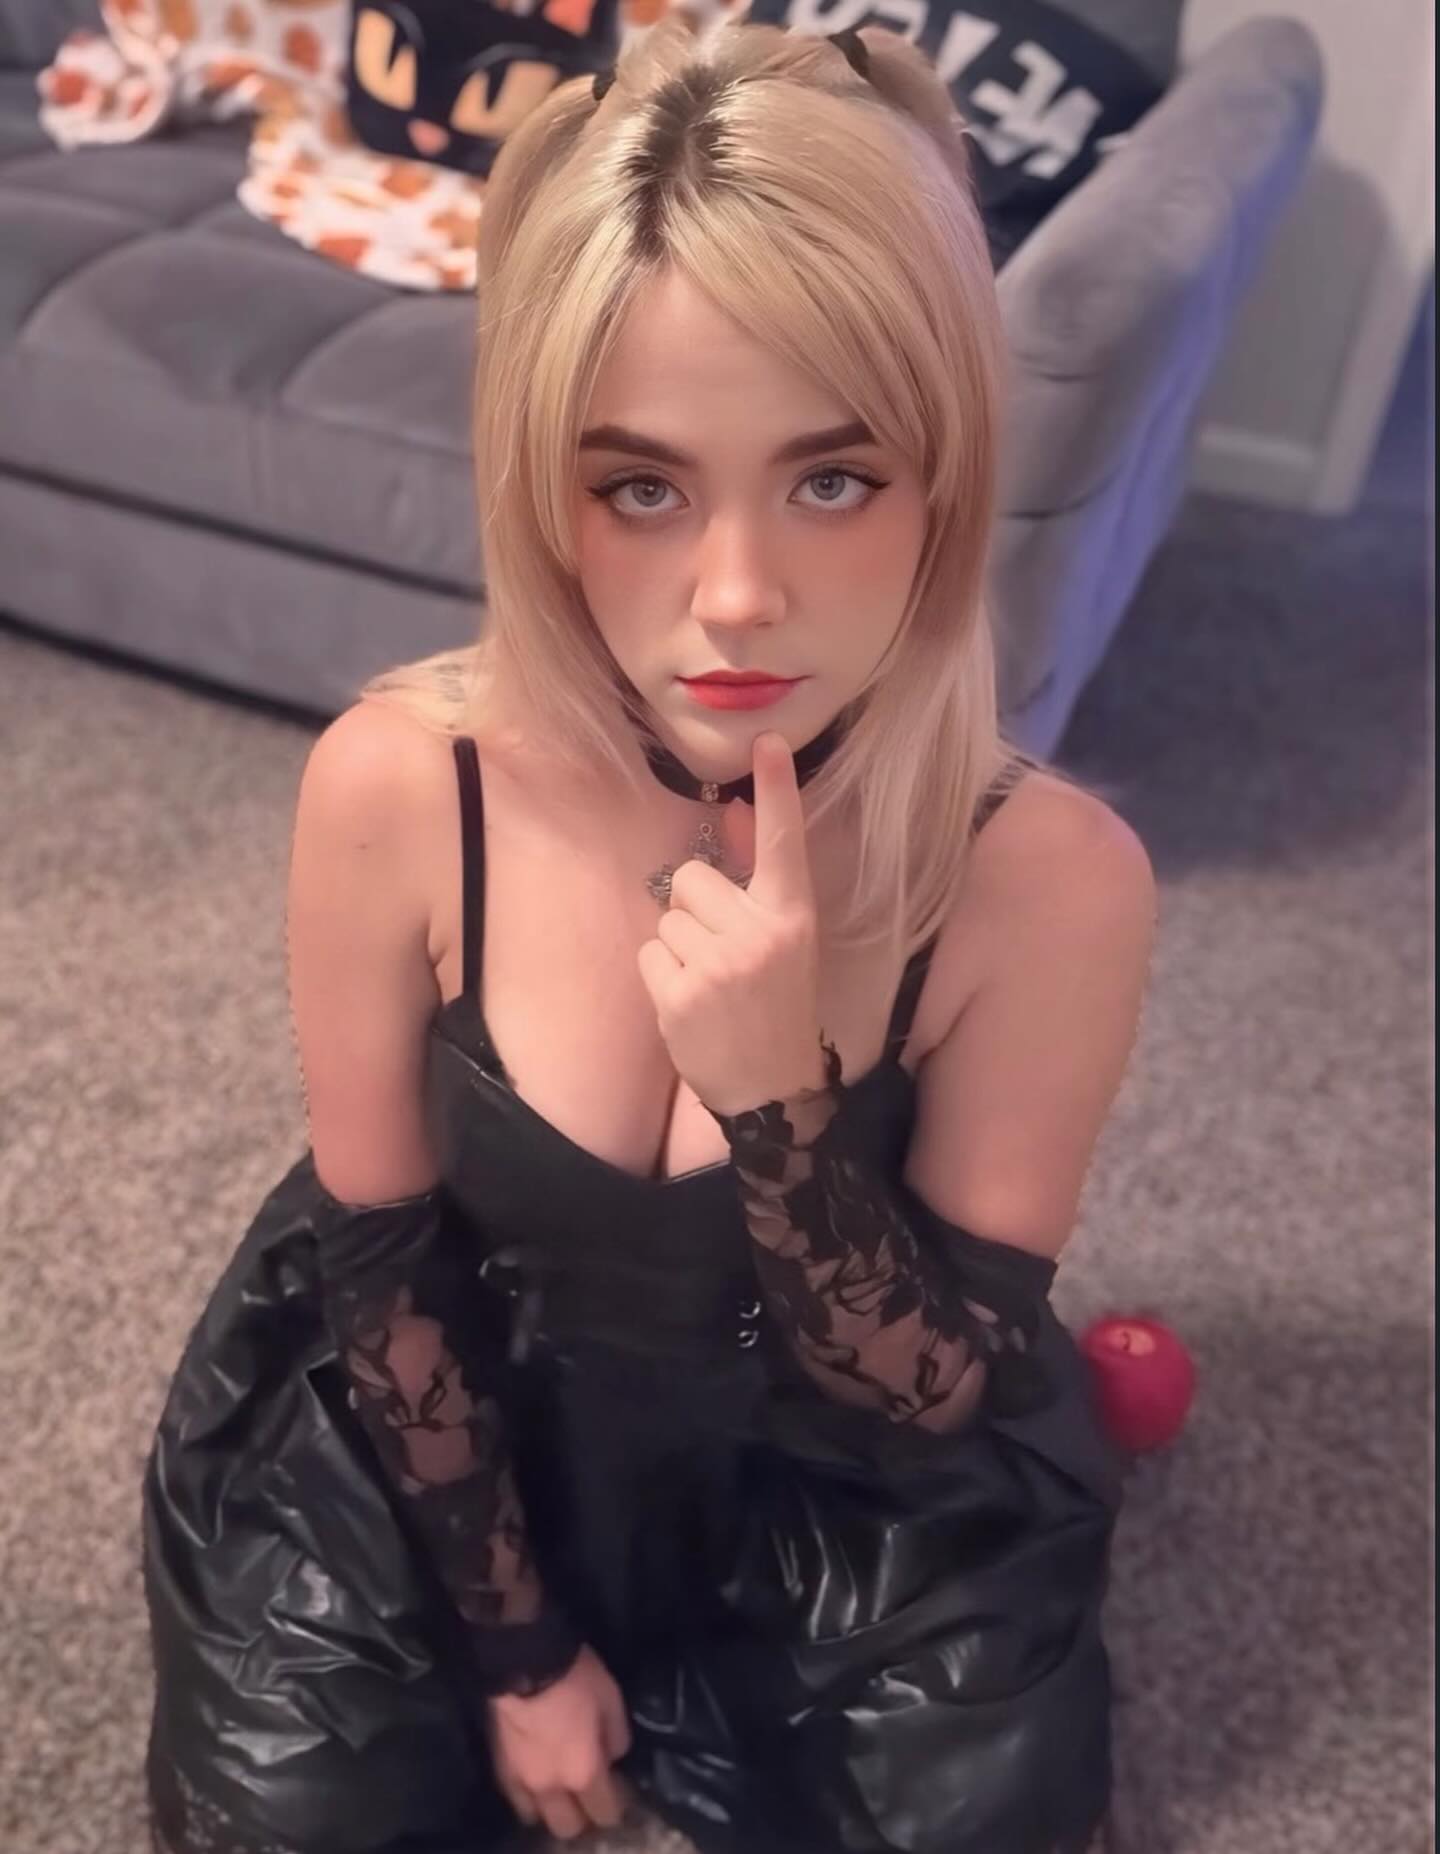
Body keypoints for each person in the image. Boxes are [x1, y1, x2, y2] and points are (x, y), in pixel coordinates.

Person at [141, 14, 1157, 1854]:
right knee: (283, 1822)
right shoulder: (402, 783)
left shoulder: (1052, 877)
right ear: (545, 488)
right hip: (447, 1421)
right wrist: (521, 1651)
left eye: (834, 478)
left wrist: (784, 1113)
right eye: (642, 487)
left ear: (944, 476)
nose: (737, 595)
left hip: (831, 1476)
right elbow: (383, 1273)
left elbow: (935, 1394)